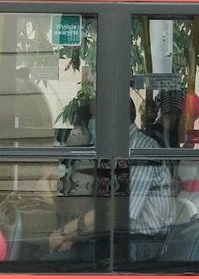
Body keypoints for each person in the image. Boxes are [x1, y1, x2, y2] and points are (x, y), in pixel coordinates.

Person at [49, 100, 176, 261]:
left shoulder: (142, 149)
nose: (92, 124)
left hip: (143, 244)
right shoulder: (116, 149)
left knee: (52, 262)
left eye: (95, 117)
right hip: (117, 236)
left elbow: (118, 212)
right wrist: (74, 236)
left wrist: (65, 232)